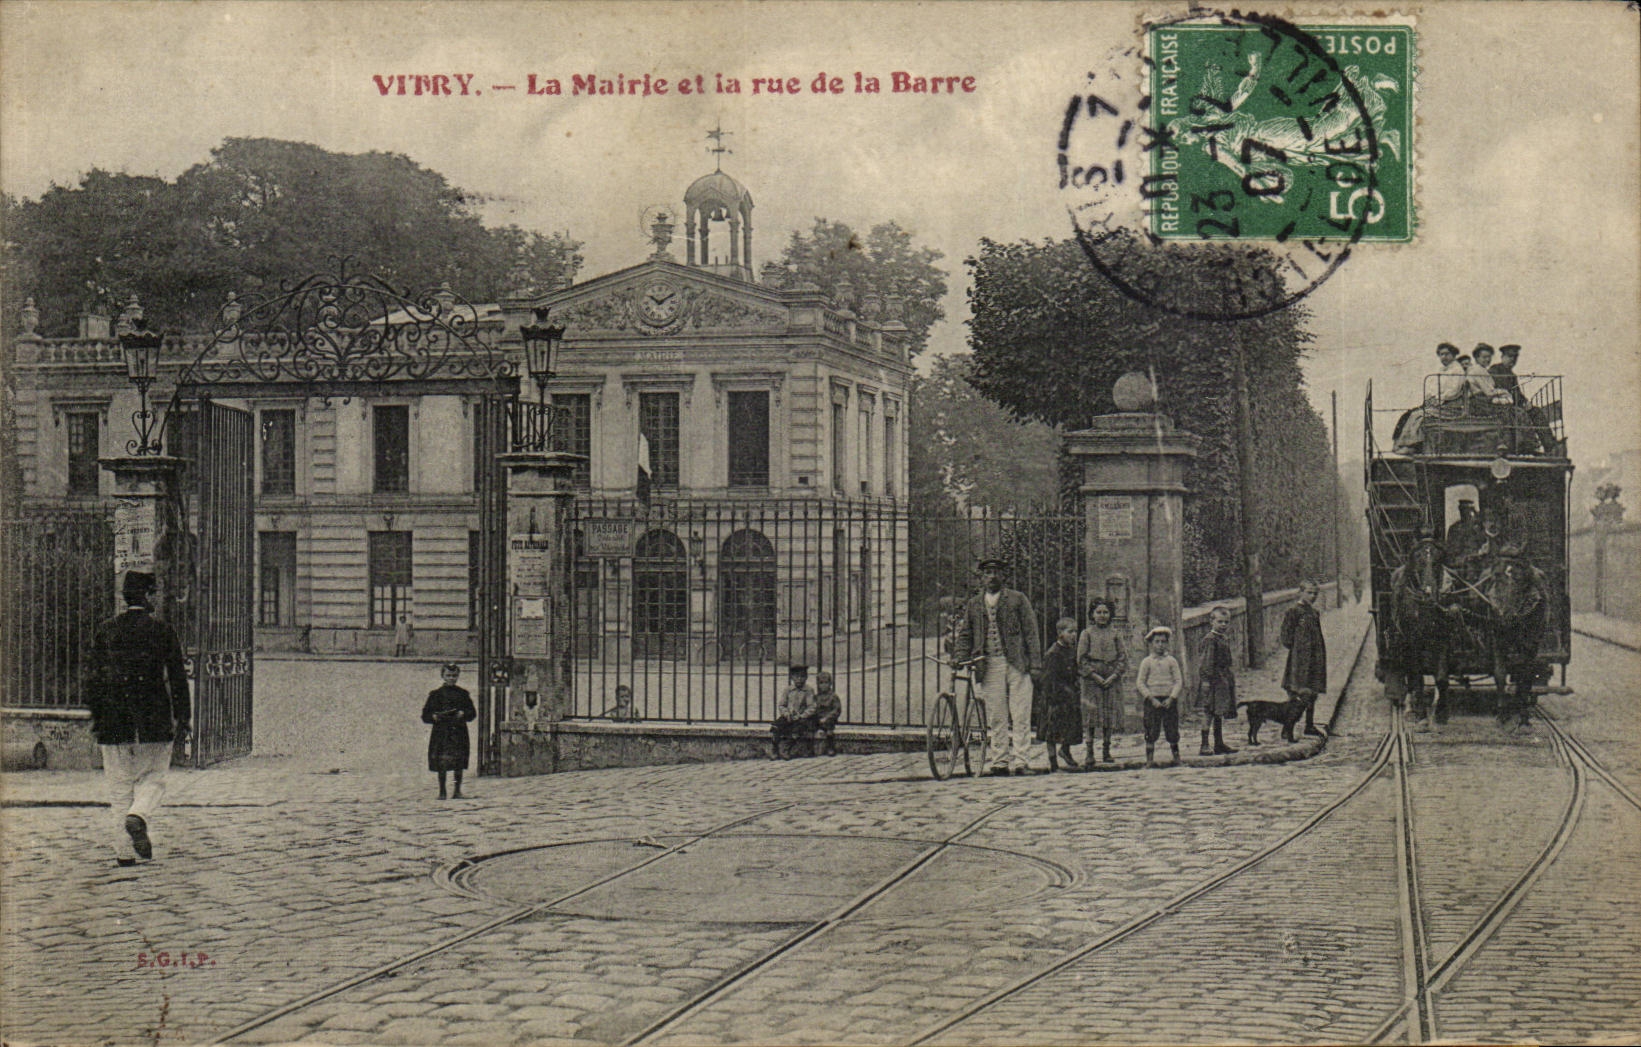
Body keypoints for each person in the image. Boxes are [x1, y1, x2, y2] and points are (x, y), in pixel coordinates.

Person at [85, 571, 191, 867]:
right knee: (154, 779)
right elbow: (178, 679)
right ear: (146, 596)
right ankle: (139, 815)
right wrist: (183, 718)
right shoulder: (162, 631)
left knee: (119, 788)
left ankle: (124, 853)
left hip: (114, 722)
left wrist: (99, 718)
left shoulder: (106, 631)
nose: (157, 598)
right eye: (154, 593)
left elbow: (92, 681)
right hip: (153, 719)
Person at [953, 557, 1041, 776]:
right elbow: (965, 634)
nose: (992, 576)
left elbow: (1031, 632)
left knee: (1020, 713)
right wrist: (960, 656)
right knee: (996, 715)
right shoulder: (974, 604)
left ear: (1004, 576)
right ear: (981, 578)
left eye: (996, 572)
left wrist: (1036, 664)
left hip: (1017, 663)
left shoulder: (1018, 599)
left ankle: (1021, 761)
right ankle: (999, 761)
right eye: (987, 573)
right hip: (988, 664)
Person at [1077, 597, 1127, 767]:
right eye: (1098, 612)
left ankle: (1106, 750)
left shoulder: (1115, 634)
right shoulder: (1087, 634)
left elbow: (1122, 658)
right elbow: (1081, 659)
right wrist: (1094, 675)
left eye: (1106, 612)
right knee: (1091, 715)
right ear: (1092, 614)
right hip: (1092, 679)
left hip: (1111, 677)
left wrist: (1114, 675)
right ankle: (1089, 752)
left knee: (1108, 715)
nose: (1102, 615)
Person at [1395, 343, 1467, 453]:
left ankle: (1411, 446)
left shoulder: (1457, 370)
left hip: (1451, 407)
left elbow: (1454, 391)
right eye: (1441, 354)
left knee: (1418, 415)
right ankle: (1401, 443)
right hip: (1440, 404)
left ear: (1453, 355)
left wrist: (1439, 398)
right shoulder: (1441, 370)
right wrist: (1430, 398)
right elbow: (1432, 387)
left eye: (1447, 354)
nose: (1444, 357)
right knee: (1412, 413)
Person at [421, 663, 477, 799]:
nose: (451, 678)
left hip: (459, 732)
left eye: (454, 676)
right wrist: (434, 716)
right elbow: (425, 715)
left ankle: (457, 790)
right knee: (442, 763)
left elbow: (472, 713)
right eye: (448, 676)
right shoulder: (435, 695)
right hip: (442, 732)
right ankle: (442, 791)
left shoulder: (463, 694)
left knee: (459, 762)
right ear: (443, 676)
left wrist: (463, 713)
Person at [1280, 581, 1328, 738]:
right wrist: (1299, 650)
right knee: (1296, 692)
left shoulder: (1314, 613)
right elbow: (1286, 637)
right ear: (1300, 592)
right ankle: (1288, 728)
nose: (1312, 596)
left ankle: (1309, 724)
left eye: (1315, 593)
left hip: (1315, 658)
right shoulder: (1293, 611)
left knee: (1312, 691)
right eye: (1309, 592)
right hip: (1299, 660)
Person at [1036, 618, 1083, 772]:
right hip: (1054, 697)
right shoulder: (1053, 653)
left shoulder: (1070, 651)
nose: (1074, 635)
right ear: (1060, 633)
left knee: (1070, 726)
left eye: (1075, 631)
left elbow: (1074, 671)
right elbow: (1049, 679)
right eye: (1070, 632)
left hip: (1068, 695)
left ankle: (1065, 750)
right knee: (1051, 730)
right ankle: (1053, 763)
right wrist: (1060, 693)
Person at [1135, 625, 1183, 768]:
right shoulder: (1147, 662)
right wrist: (1151, 698)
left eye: (1163, 642)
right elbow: (1140, 682)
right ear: (1151, 643)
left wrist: (1172, 697)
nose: (1160, 645)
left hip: (1169, 701)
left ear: (1167, 643)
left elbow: (1178, 681)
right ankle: (1149, 760)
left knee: (1172, 729)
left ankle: (1176, 758)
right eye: (1157, 642)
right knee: (1151, 729)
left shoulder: (1172, 661)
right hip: (1152, 701)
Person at [1194, 606, 1238, 756]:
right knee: (1208, 712)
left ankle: (1219, 743)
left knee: (1219, 711)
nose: (1224, 625)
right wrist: (1206, 681)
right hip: (1212, 681)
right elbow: (1205, 662)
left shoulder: (1223, 638)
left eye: (1226, 622)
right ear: (1211, 621)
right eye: (1220, 621)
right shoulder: (1210, 640)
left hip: (1222, 680)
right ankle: (1204, 744)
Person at [771, 665, 816, 760]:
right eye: (796, 677)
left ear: (806, 677)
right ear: (792, 677)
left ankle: (786, 750)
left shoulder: (808, 690)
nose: (799, 679)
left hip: (801, 717)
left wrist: (802, 715)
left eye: (802, 676)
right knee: (776, 727)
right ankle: (774, 749)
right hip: (789, 715)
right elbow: (782, 705)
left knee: (797, 729)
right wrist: (786, 714)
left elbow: (811, 707)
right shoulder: (788, 690)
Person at [812, 670, 842, 756]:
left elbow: (837, 709)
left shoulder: (833, 696)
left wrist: (827, 717)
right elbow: (814, 707)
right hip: (819, 718)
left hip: (829, 719)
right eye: (821, 683)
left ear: (830, 684)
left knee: (829, 729)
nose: (824, 685)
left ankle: (830, 747)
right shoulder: (817, 697)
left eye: (826, 683)